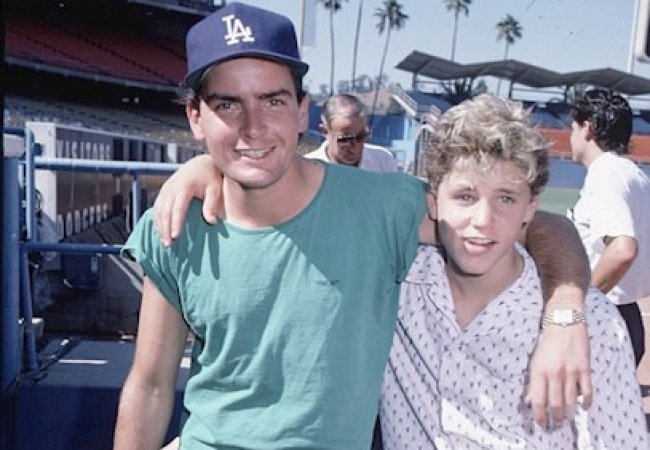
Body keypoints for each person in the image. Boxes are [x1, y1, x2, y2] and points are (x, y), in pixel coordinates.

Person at [115, 3, 592, 449]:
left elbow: (541, 226)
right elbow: (150, 384)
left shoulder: (381, 206)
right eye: (228, 105)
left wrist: (565, 316)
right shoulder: (173, 223)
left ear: (302, 110)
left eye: (273, 101)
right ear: (195, 118)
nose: (253, 126)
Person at [377, 94, 648, 449]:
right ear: (433, 202)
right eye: (465, 196)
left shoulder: (593, 325)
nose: (483, 220)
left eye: (505, 198)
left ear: (530, 208)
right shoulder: (395, 286)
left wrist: (565, 310)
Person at [568, 88, 650, 366]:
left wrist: (580, 303)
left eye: (573, 128)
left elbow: (623, 249)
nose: (571, 137)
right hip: (626, 315)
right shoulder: (635, 175)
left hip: (604, 319)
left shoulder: (606, 174)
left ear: (587, 129)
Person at [306, 93, 399, 173]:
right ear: (325, 131)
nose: (354, 147)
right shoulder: (307, 169)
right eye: (345, 139)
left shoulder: (383, 162)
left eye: (361, 137)